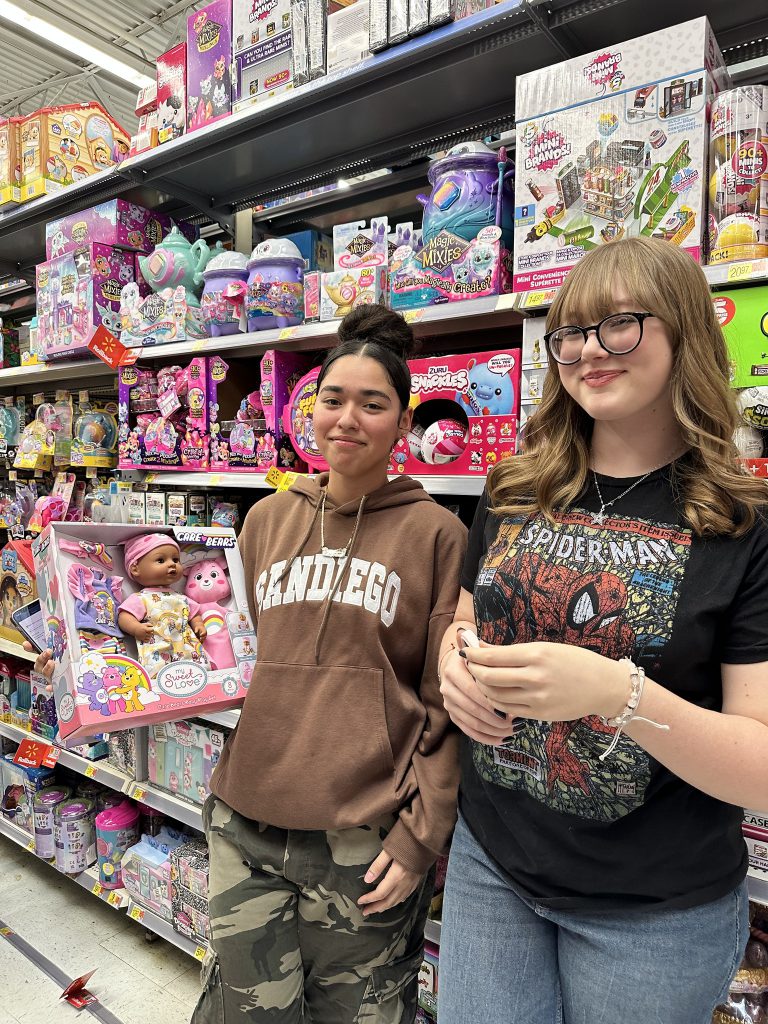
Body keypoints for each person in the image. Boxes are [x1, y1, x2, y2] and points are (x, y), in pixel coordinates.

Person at [33, 306, 466, 1023]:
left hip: (361, 838)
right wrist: (103, 654)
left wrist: (422, 838)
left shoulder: (438, 536)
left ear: (401, 422)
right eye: (333, 399)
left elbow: (445, 707)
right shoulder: (266, 520)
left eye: (373, 403)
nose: (347, 419)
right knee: (246, 1012)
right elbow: (227, 652)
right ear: (309, 410)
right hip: (247, 819)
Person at [436, 236, 768, 1024]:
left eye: (619, 324)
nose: (588, 352)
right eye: (571, 334)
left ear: (685, 330)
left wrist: (617, 694)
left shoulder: (742, 525)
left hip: (655, 910)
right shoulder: (516, 484)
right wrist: (456, 670)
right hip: (494, 863)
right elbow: (465, 617)